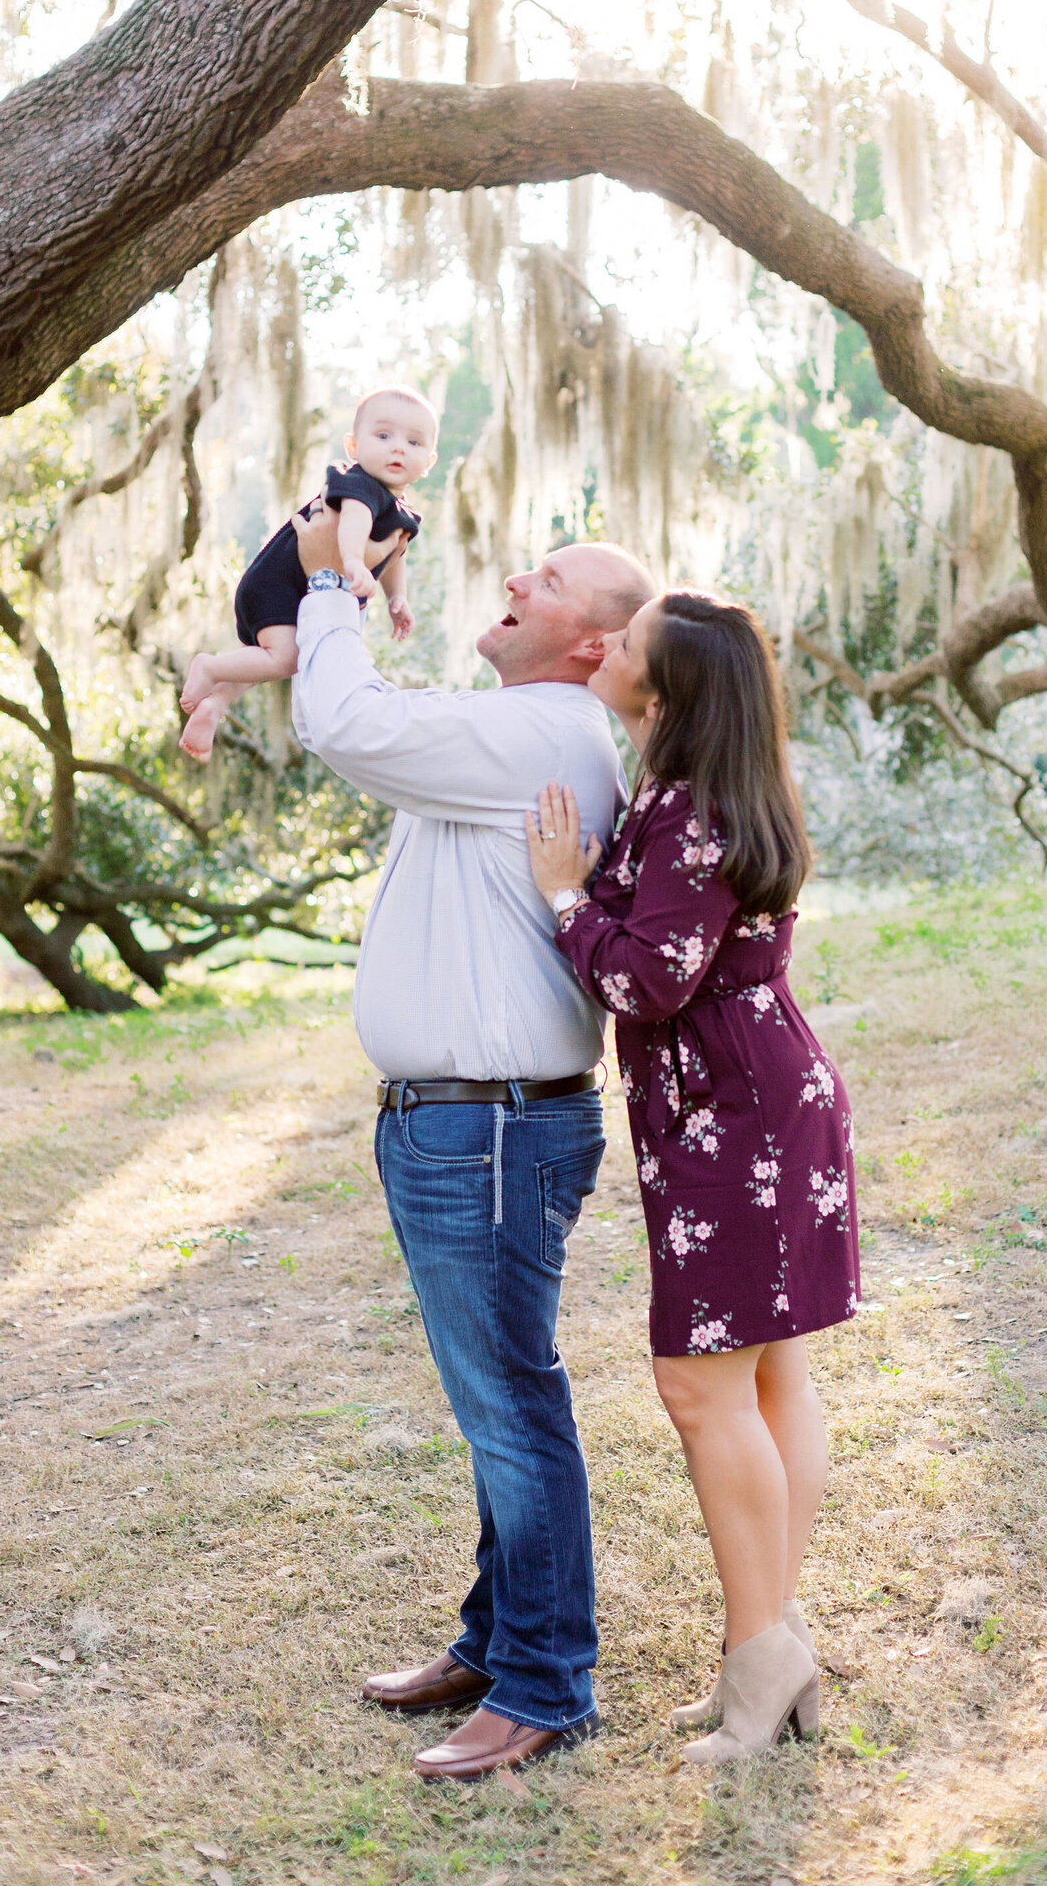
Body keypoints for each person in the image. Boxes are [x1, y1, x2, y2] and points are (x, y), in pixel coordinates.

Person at [289, 534, 654, 1782]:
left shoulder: (547, 732)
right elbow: (365, 720)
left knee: (511, 1403)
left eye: (545, 581)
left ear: (592, 644)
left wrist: (332, 580)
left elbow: (342, 722)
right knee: (494, 1398)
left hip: (490, 1125)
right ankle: (499, 1642)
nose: (512, 582)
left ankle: (546, 1685)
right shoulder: (512, 736)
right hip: (456, 1119)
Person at [525, 590, 860, 1764]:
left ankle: (763, 1653)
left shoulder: (693, 813)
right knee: (767, 1378)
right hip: (745, 1101)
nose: (600, 648)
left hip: (741, 1118)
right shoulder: (694, 792)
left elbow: (646, 981)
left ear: (659, 694)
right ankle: (765, 1648)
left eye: (621, 645)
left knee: (700, 1387)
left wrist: (565, 892)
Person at [178, 384, 438, 760]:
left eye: (414, 442)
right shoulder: (358, 483)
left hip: (301, 589)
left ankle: (215, 705)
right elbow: (353, 521)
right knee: (286, 659)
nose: (398, 447)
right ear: (353, 446)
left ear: (428, 462)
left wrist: (398, 597)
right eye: (383, 435)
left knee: (272, 656)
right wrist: (350, 562)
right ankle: (211, 666)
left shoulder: (403, 511)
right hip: (279, 583)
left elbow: (396, 555)